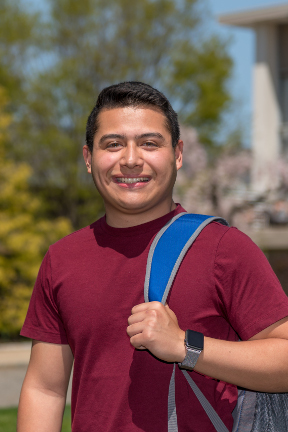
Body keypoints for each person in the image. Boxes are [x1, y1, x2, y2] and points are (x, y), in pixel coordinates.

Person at [17, 81, 288, 432]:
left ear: (177, 154)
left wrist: (185, 346)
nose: (131, 160)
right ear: (88, 158)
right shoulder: (62, 259)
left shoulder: (223, 247)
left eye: (149, 143)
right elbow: (45, 389)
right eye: (113, 144)